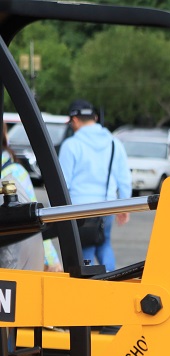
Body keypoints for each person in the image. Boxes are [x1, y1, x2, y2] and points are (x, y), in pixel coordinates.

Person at [58, 99, 131, 271]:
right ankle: (113, 281)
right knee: (104, 244)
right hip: (108, 205)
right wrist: (125, 205)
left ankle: (85, 285)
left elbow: (63, 183)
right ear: (95, 118)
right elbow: (124, 178)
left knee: (84, 252)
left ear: (75, 120)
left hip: (79, 209)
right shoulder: (114, 143)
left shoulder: (71, 145)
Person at [0, 124, 44, 271]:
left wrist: (52, 260)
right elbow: (37, 218)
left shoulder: (13, 174)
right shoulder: (16, 172)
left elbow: (33, 218)